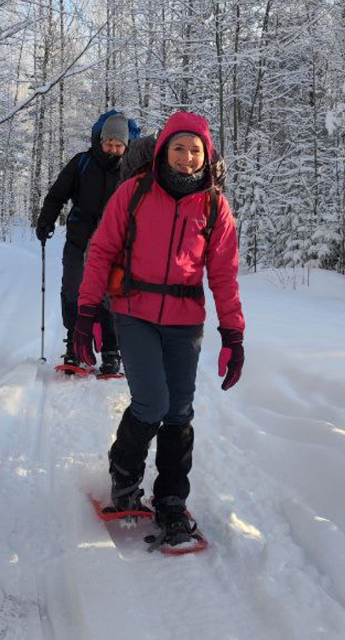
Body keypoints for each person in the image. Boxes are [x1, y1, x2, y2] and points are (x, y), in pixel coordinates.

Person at [73, 110, 245, 545]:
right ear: (164, 149)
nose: (187, 157)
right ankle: (124, 472)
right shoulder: (133, 193)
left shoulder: (213, 204)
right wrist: (86, 314)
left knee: (179, 411)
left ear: (207, 156)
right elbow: (101, 252)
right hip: (133, 313)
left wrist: (233, 335)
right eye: (179, 148)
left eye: (196, 150)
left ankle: (171, 499)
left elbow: (224, 274)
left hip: (185, 322)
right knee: (151, 403)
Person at [35, 110, 140, 375]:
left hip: (116, 243)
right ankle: (74, 343)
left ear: (126, 145)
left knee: (111, 294)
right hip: (80, 239)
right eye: (109, 143)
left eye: (119, 145)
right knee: (73, 289)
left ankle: (110, 349)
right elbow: (57, 194)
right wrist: (46, 220)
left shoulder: (132, 170)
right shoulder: (82, 163)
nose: (113, 149)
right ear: (100, 140)